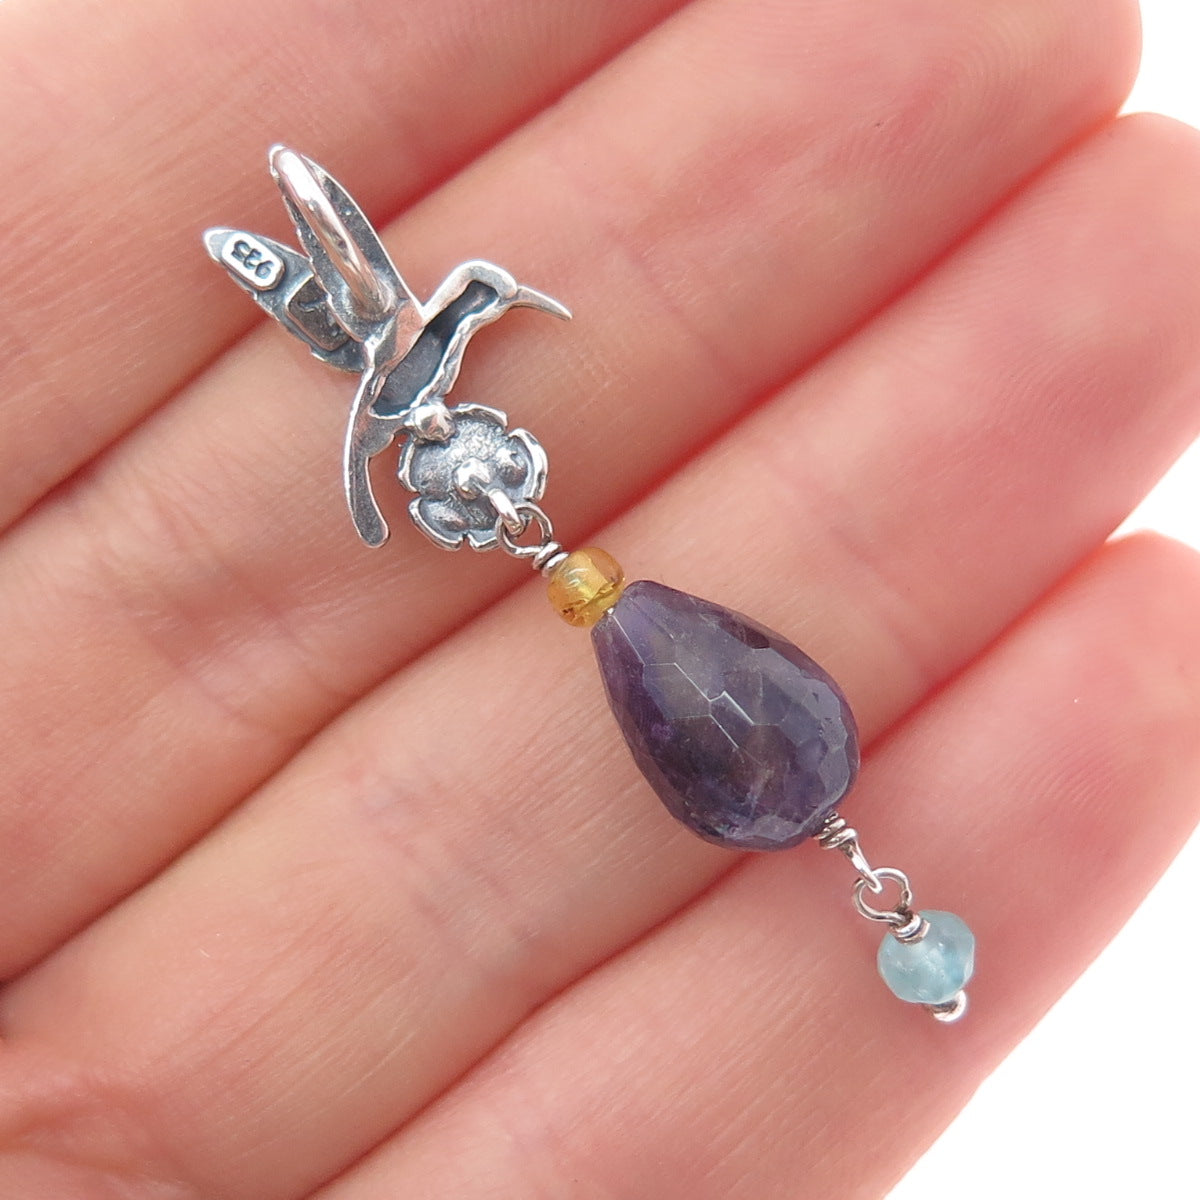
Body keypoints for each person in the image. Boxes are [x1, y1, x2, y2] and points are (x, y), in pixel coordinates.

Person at [0, 0, 1196, 1196]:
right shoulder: (456, 434)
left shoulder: (540, 513)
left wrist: (402, 449)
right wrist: (374, 482)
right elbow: (397, 391)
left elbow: (428, 354)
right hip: (461, 472)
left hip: (474, 481)